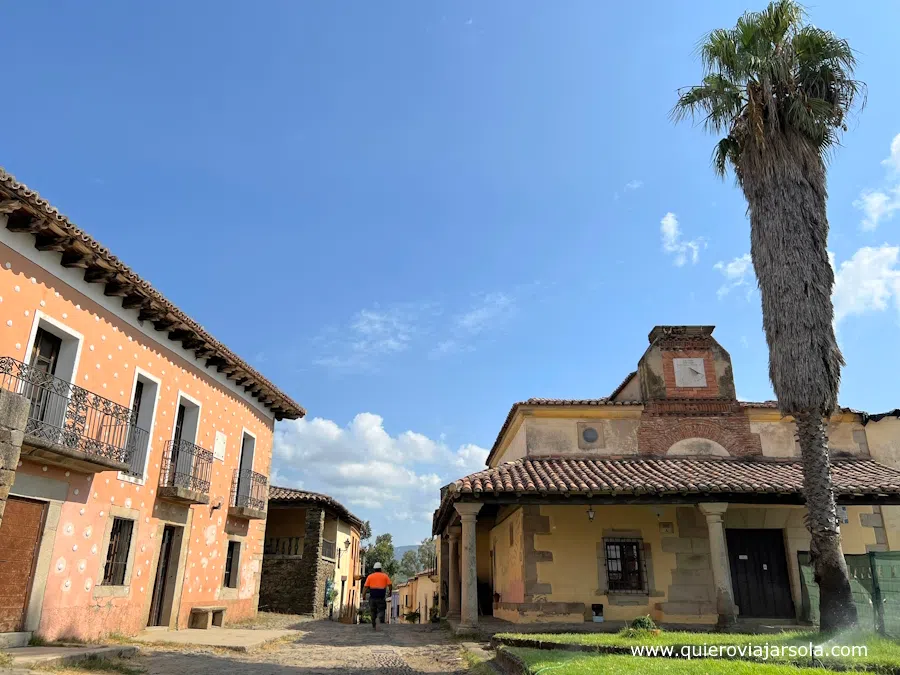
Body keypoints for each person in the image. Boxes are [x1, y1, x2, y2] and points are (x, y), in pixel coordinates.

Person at [363, 562, 392, 630]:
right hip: (381, 597)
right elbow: (390, 585)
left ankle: (374, 625)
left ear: (374, 569)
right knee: (381, 610)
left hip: (372, 597)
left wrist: (363, 595)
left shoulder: (370, 576)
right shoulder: (385, 576)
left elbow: (365, 587)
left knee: (373, 611)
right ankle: (378, 618)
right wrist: (390, 592)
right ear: (380, 569)